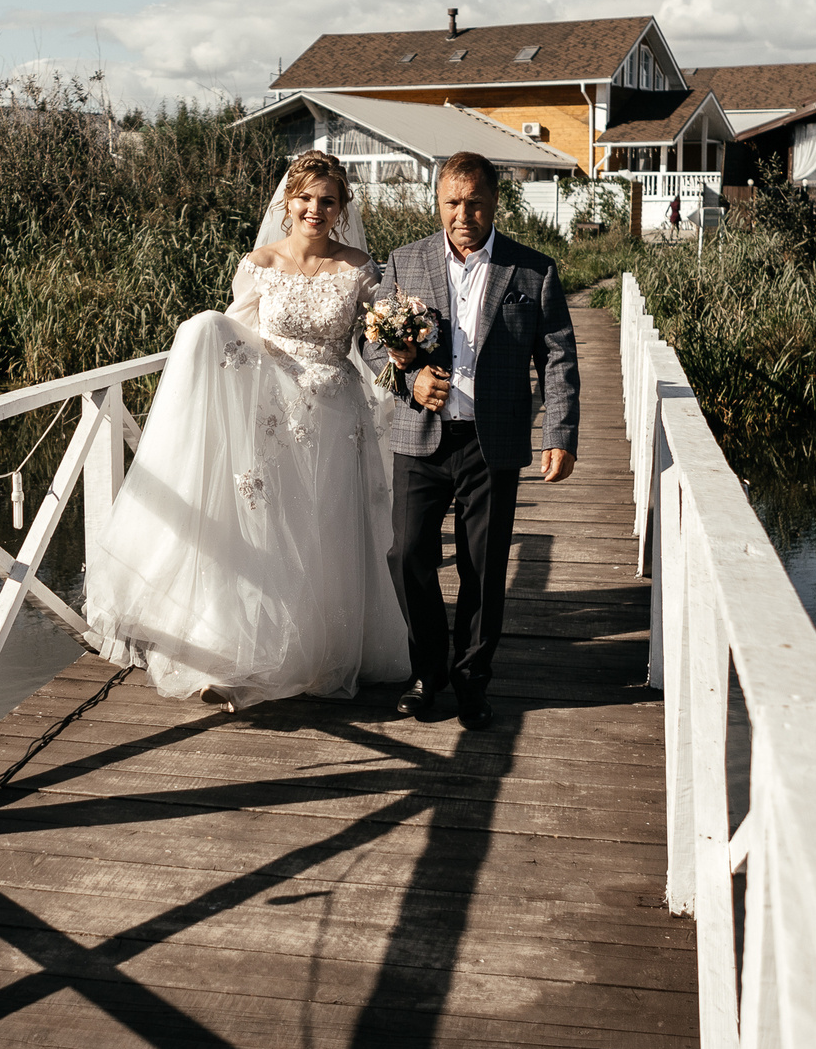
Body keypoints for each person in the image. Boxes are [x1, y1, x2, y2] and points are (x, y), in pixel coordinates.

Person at [82, 151, 409, 710]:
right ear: (288, 201)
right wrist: (205, 335)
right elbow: (238, 336)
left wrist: (402, 347)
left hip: (336, 414)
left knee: (325, 533)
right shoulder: (258, 262)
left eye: (327, 201)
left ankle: (320, 652)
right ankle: (247, 656)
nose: (315, 209)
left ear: (341, 208)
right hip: (274, 416)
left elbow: (378, 336)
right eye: (305, 198)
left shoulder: (359, 267)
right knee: (269, 534)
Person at [360, 152, 579, 731]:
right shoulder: (405, 262)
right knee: (406, 555)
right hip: (419, 439)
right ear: (438, 202)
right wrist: (409, 376)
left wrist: (560, 432)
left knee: (483, 566)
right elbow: (372, 345)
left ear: (494, 203)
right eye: (452, 203)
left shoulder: (532, 271)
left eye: (475, 203)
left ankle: (472, 681)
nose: (463, 214)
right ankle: (428, 673)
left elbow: (557, 357)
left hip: (493, 443)